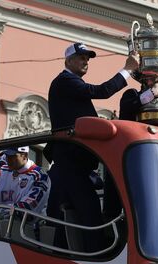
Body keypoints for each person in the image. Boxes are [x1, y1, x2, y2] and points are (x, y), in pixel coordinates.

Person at [47, 42, 139, 251]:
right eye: (81, 57)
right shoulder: (65, 81)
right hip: (70, 164)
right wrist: (128, 70)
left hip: (75, 164)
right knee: (91, 218)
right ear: (68, 61)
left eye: (87, 58)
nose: (85, 61)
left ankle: (66, 261)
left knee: (70, 219)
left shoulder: (70, 84)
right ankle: (96, 260)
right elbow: (102, 91)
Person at [0, 146, 50, 222]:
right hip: (0, 229)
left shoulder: (40, 176)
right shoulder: (3, 170)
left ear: (25, 156)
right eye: (7, 156)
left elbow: (27, 208)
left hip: (28, 230)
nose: (8, 159)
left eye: (13, 156)